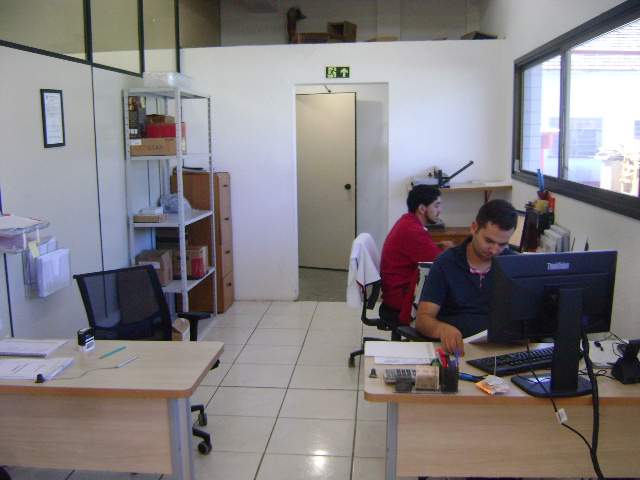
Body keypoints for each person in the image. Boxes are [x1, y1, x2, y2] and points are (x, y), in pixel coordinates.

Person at [415, 199, 517, 354]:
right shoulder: (446, 263)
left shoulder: (513, 264)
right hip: (457, 350)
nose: (494, 250)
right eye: (489, 241)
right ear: (474, 228)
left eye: (502, 244)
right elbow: (423, 319)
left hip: (501, 350)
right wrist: (442, 329)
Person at [380, 185, 452, 328]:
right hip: (401, 299)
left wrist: (438, 247)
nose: (440, 210)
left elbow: (423, 252)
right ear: (422, 208)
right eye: (436, 205)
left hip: (397, 291)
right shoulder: (413, 231)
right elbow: (442, 264)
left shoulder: (407, 222)